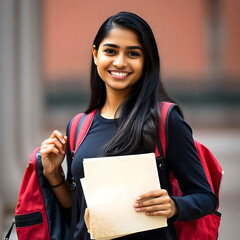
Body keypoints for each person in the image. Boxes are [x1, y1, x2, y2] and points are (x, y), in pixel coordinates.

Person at [40, 11, 217, 240]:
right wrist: (52, 173)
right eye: (110, 51)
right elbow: (76, 205)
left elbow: (205, 197)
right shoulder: (77, 126)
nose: (120, 62)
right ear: (95, 55)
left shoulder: (165, 119)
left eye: (133, 53)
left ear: (146, 61)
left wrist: (174, 206)